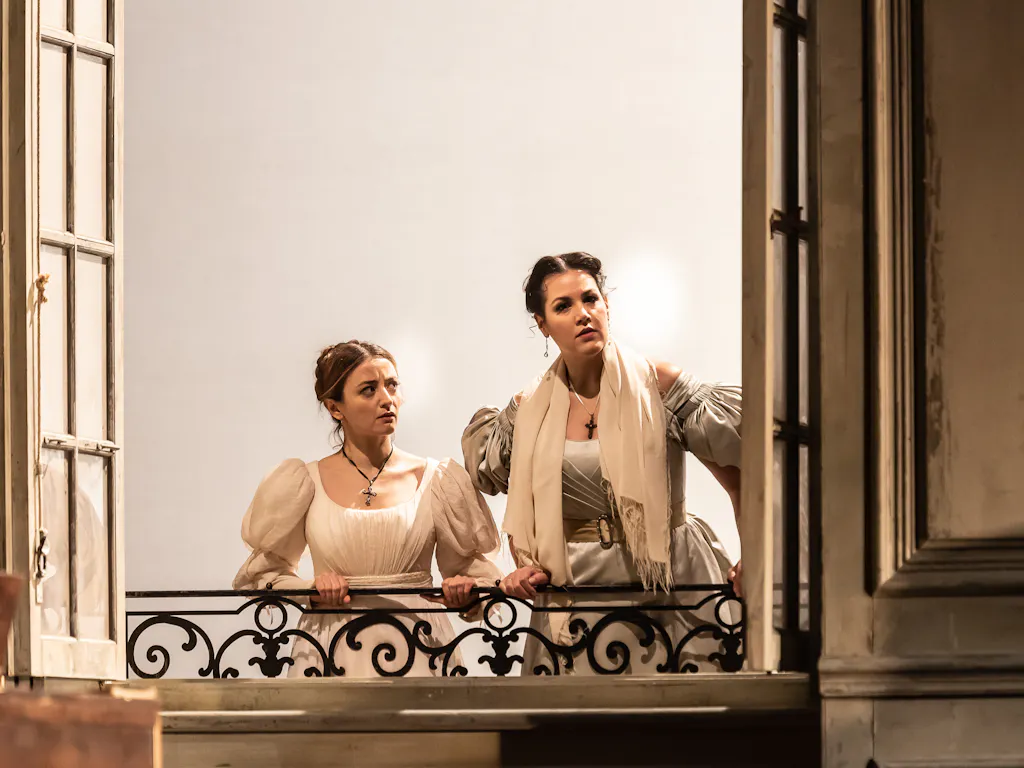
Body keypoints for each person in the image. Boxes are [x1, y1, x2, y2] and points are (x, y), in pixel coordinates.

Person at [462, 252, 743, 675]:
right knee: (582, 732)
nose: (582, 314)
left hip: (670, 579)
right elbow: (517, 496)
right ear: (542, 324)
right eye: (563, 306)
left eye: (590, 299)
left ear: (606, 305)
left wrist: (754, 555)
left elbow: (741, 478)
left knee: (683, 726)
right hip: (578, 589)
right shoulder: (527, 409)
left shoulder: (657, 384)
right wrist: (522, 567)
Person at [233, 340, 503, 677]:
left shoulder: (439, 479)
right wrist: (311, 591)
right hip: (329, 648)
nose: (386, 399)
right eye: (368, 389)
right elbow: (264, 574)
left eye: (392, 385)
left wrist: (463, 593)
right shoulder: (304, 481)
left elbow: (478, 577)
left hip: (420, 645)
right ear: (335, 408)